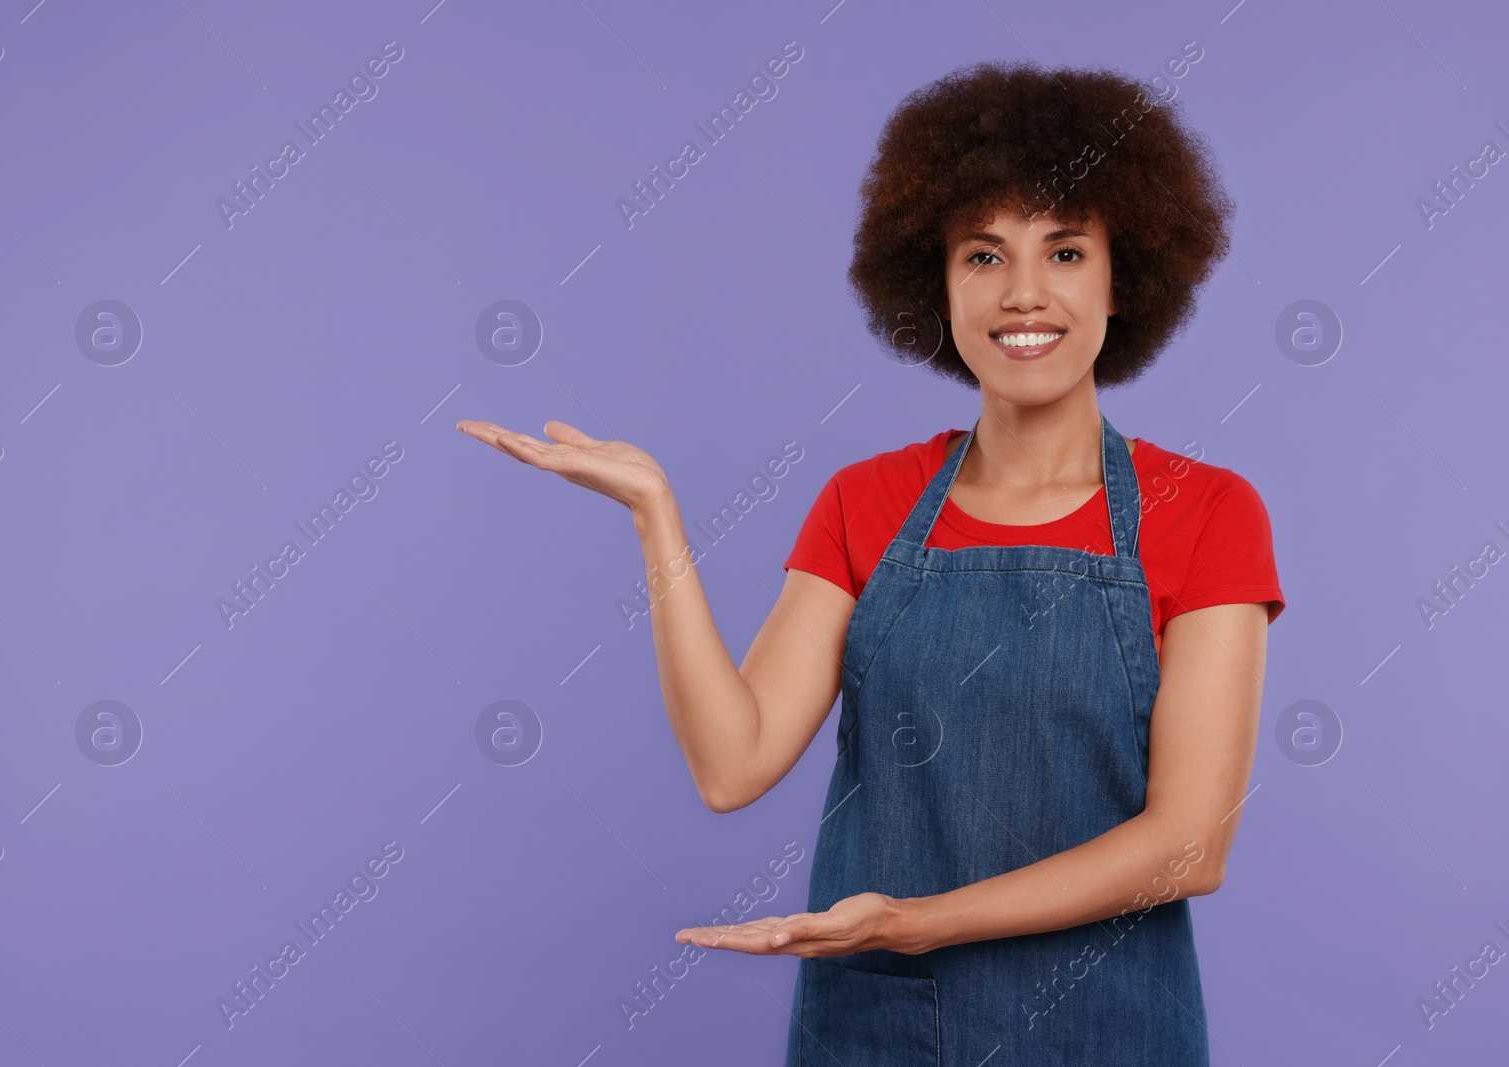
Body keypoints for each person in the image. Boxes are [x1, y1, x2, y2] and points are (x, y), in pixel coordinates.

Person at [458, 59, 1283, 1067]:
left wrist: (921, 920)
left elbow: (1189, 844)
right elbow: (734, 761)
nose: (1023, 292)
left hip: (1108, 1028)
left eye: (1064, 250)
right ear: (933, 284)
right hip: (886, 1034)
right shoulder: (868, 500)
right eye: (982, 256)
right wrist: (657, 521)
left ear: (1124, 279)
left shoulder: (1203, 512)